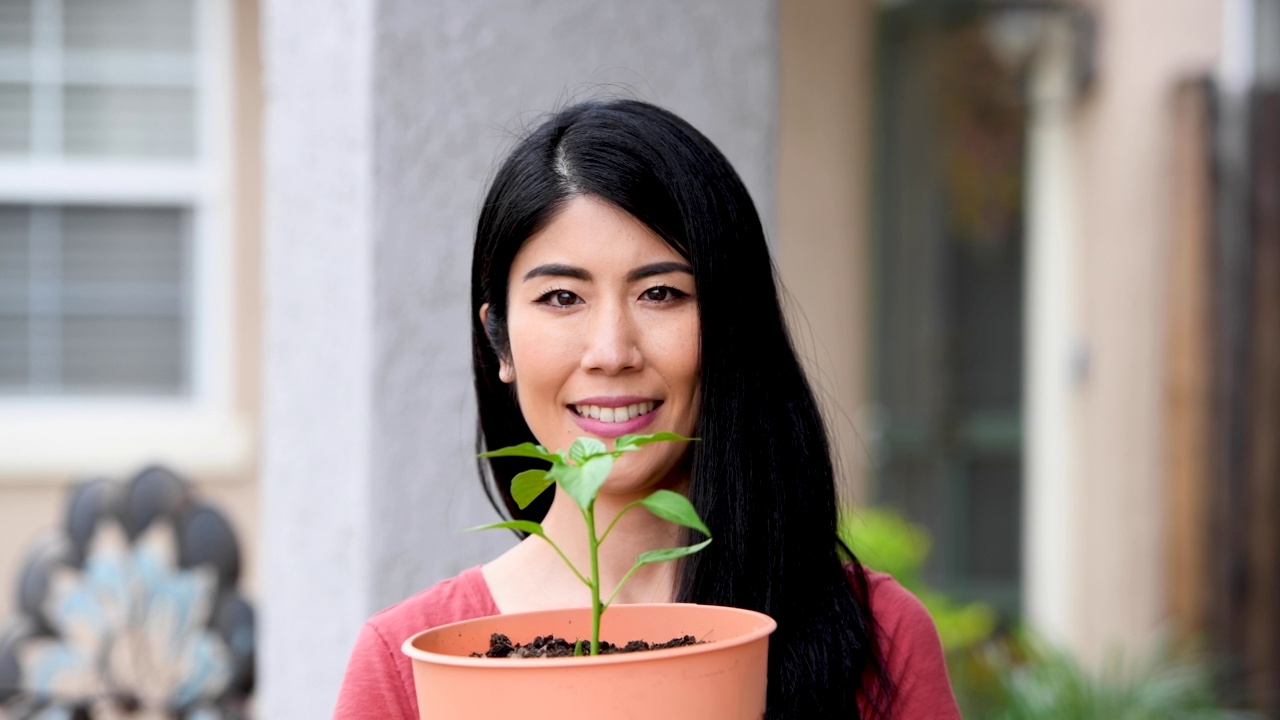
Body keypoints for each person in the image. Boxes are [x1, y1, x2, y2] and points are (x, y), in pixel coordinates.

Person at [335, 99, 960, 719]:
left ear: (732, 330)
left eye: (662, 293)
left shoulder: (874, 636)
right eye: (561, 297)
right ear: (499, 340)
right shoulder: (409, 665)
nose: (611, 353)